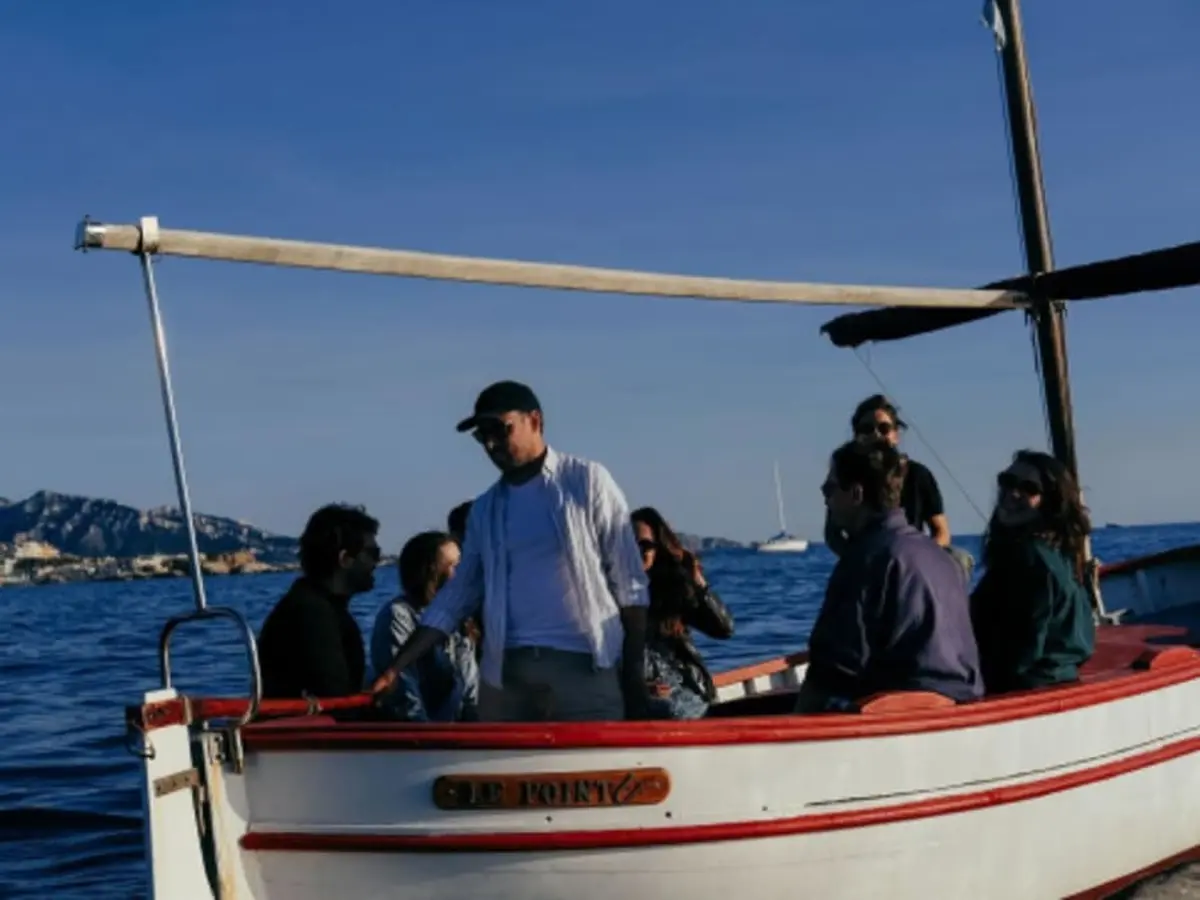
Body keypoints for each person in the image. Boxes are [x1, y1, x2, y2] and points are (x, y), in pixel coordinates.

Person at [371, 380, 651, 721]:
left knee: (588, 771)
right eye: (481, 436)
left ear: (536, 421)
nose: (490, 444)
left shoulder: (586, 481)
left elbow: (630, 584)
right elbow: (455, 597)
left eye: (499, 430)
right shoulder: (485, 509)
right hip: (505, 674)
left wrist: (635, 677)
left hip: (585, 665)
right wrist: (396, 667)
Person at [797, 441, 982, 712]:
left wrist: (798, 717)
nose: (826, 498)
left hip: (892, 713)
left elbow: (833, 668)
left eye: (830, 488)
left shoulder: (863, 562)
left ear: (857, 494)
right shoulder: (943, 559)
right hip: (960, 704)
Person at [970, 450, 1095, 694]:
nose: (1013, 493)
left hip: (1027, 690)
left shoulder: (1028, 560)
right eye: (1007, 482)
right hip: (1062, 681)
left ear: (1051, 502)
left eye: (1029, 489)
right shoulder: (1057, 552)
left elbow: (1019, 652)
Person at [258, 504, 381, 699]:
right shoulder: (313, 615)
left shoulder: (316, 606)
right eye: (373, 554)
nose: (377, 563)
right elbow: (334, 698)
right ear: (345, 558)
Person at [632, 507, 734, 719]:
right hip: (639, 702)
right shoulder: (610, 594)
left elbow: (723, 628)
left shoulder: (670, 591)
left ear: (658, 548)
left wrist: (698, 582)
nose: (638, 551)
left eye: (646, 545)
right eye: (631, 544)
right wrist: (636, 686)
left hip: (683, 700)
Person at [368, 531, 479, 721]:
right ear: (430, 572)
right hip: (416, 740)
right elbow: (405, 696)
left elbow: (469, 689)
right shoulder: (398, 616)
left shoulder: (458, 619)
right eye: (455, 567)